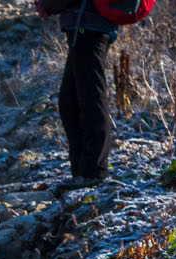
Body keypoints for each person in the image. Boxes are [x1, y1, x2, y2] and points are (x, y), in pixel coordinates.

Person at [53, 0, 119, 188]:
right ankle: (82, 171)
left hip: (89, 24)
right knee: (70, 100)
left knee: (90, 97)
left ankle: (93, 172)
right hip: (84, 23)